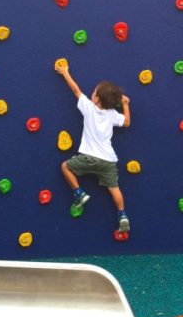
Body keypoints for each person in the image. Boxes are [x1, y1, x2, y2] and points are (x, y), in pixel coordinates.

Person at [55, 60, 131, 232]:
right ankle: (122, 214)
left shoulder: (89, 107)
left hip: (88, 157)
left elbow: (75, 90)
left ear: (96, 99)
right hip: (108, 161)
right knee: (114, 189)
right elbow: (126, 123)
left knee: (65, 167)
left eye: (94, 92)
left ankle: (79, 193)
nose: (92, 92)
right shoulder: (112, 114)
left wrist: (66, 72)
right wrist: (125, 105)